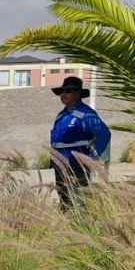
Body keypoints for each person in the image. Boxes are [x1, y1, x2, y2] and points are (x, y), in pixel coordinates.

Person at [49, 76, 111, 209]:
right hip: (60, 165)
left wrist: (92, 157)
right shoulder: (61, 115)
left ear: (78, 93)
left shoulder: (86, 113)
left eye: (68, 91)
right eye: (61, 91)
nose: (63, 94)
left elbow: (104, 133)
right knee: (65, 201)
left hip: (77, 164)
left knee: (79, 201)